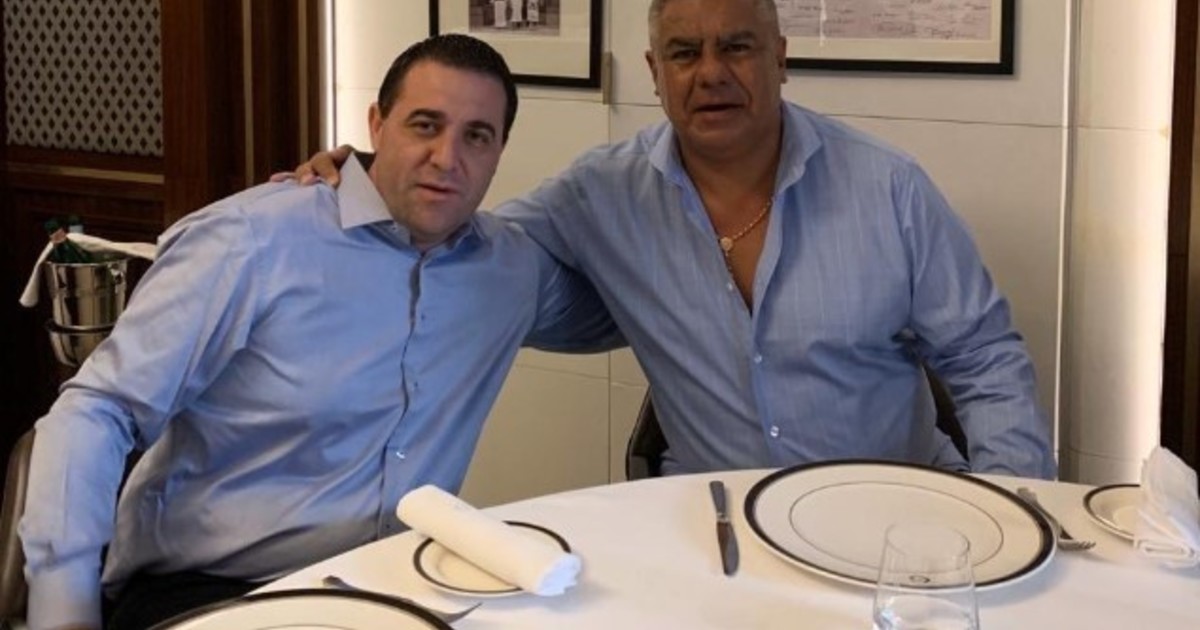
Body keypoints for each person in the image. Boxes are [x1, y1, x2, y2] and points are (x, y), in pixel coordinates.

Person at [295, 0, 1057, 480]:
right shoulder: (601, 194)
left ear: (781, 59)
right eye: (686, 54)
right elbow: (467, 240)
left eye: (737, 48)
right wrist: (370, 177)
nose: (710, 73)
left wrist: (1018, 509)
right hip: (712, 526)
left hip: (892, 510)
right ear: (656, 73)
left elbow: (984, 357)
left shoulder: (888, 188)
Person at [19, 34, 615, 630]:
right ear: (377, 125)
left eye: (476, 136)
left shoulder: (510, 270)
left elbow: (635, 312)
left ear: (500, 150)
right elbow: (99, 410)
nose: (446, 157)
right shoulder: (250, 241)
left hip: (396, 583)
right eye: (424, 126)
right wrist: (64, 610)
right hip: (215, 590)